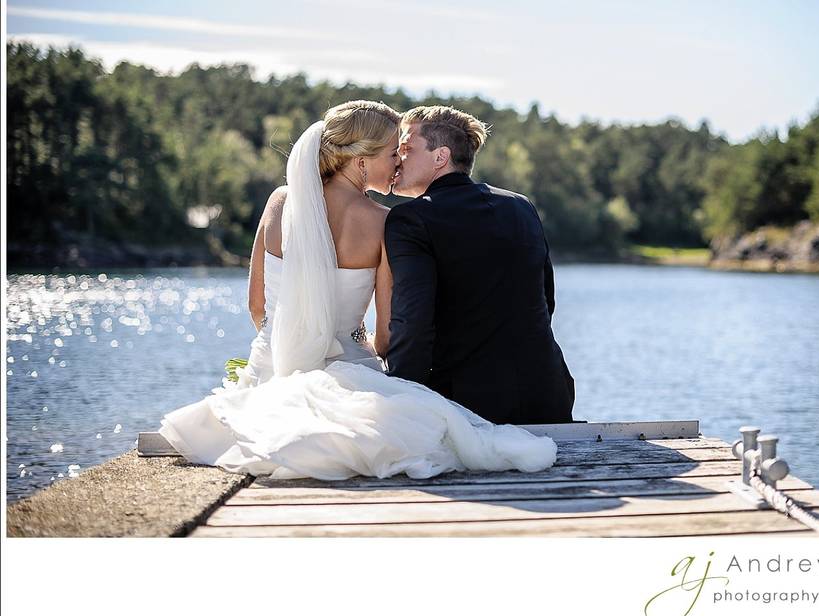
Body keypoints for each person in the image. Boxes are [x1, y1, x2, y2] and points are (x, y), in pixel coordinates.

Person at [159, 101, 556, 481]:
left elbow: (256, 305)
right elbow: (387, 334)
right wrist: (362, 349)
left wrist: (290, 340)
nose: (397, 162)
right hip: (347, 369)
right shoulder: (384, 222)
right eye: (391, 154)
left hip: (269, 368)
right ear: (362, 160)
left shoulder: (279, 201)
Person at [386, 106, 575, 425]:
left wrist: (403, 408)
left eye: (407, 148)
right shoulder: (520, 206)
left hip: (468, 408)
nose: (397, 158)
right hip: (548, 395)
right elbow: (547, 301)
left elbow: (412, 325)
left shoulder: (410, 219)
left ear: (440, 156)